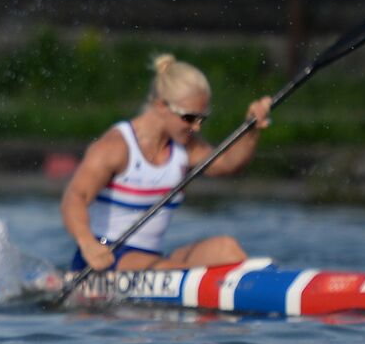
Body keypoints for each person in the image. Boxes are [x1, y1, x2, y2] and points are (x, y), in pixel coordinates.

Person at [61, 54, 273, 273]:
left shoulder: (185, 148)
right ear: (161, 105)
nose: (197, 127)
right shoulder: (115, 147)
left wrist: (252, 130)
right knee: (171, 268)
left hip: (151, 260)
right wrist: (87, 243)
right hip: (103, 258)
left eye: (202, 119)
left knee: (228, 250)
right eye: (190, 118)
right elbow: (74, 197)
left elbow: (229, 164)